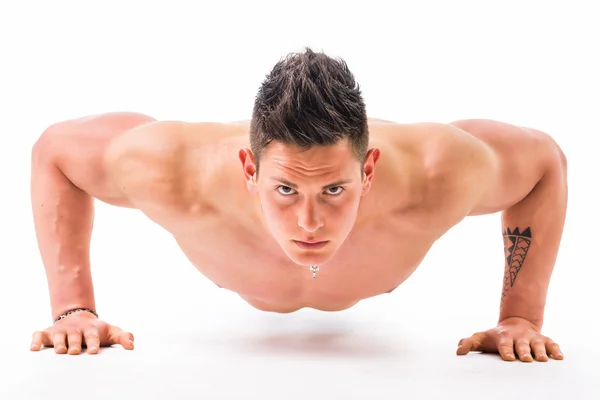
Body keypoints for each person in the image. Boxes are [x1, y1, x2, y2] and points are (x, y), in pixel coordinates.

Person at [29, 48, 567, 362]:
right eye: (285, 189)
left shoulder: (440, 171)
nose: (309, 222)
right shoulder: (171, 170)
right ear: (249, 169)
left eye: (334, 189)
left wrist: (520, 317)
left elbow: (543, 164)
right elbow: (56, 151)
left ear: (369, 169)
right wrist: (73, 308)